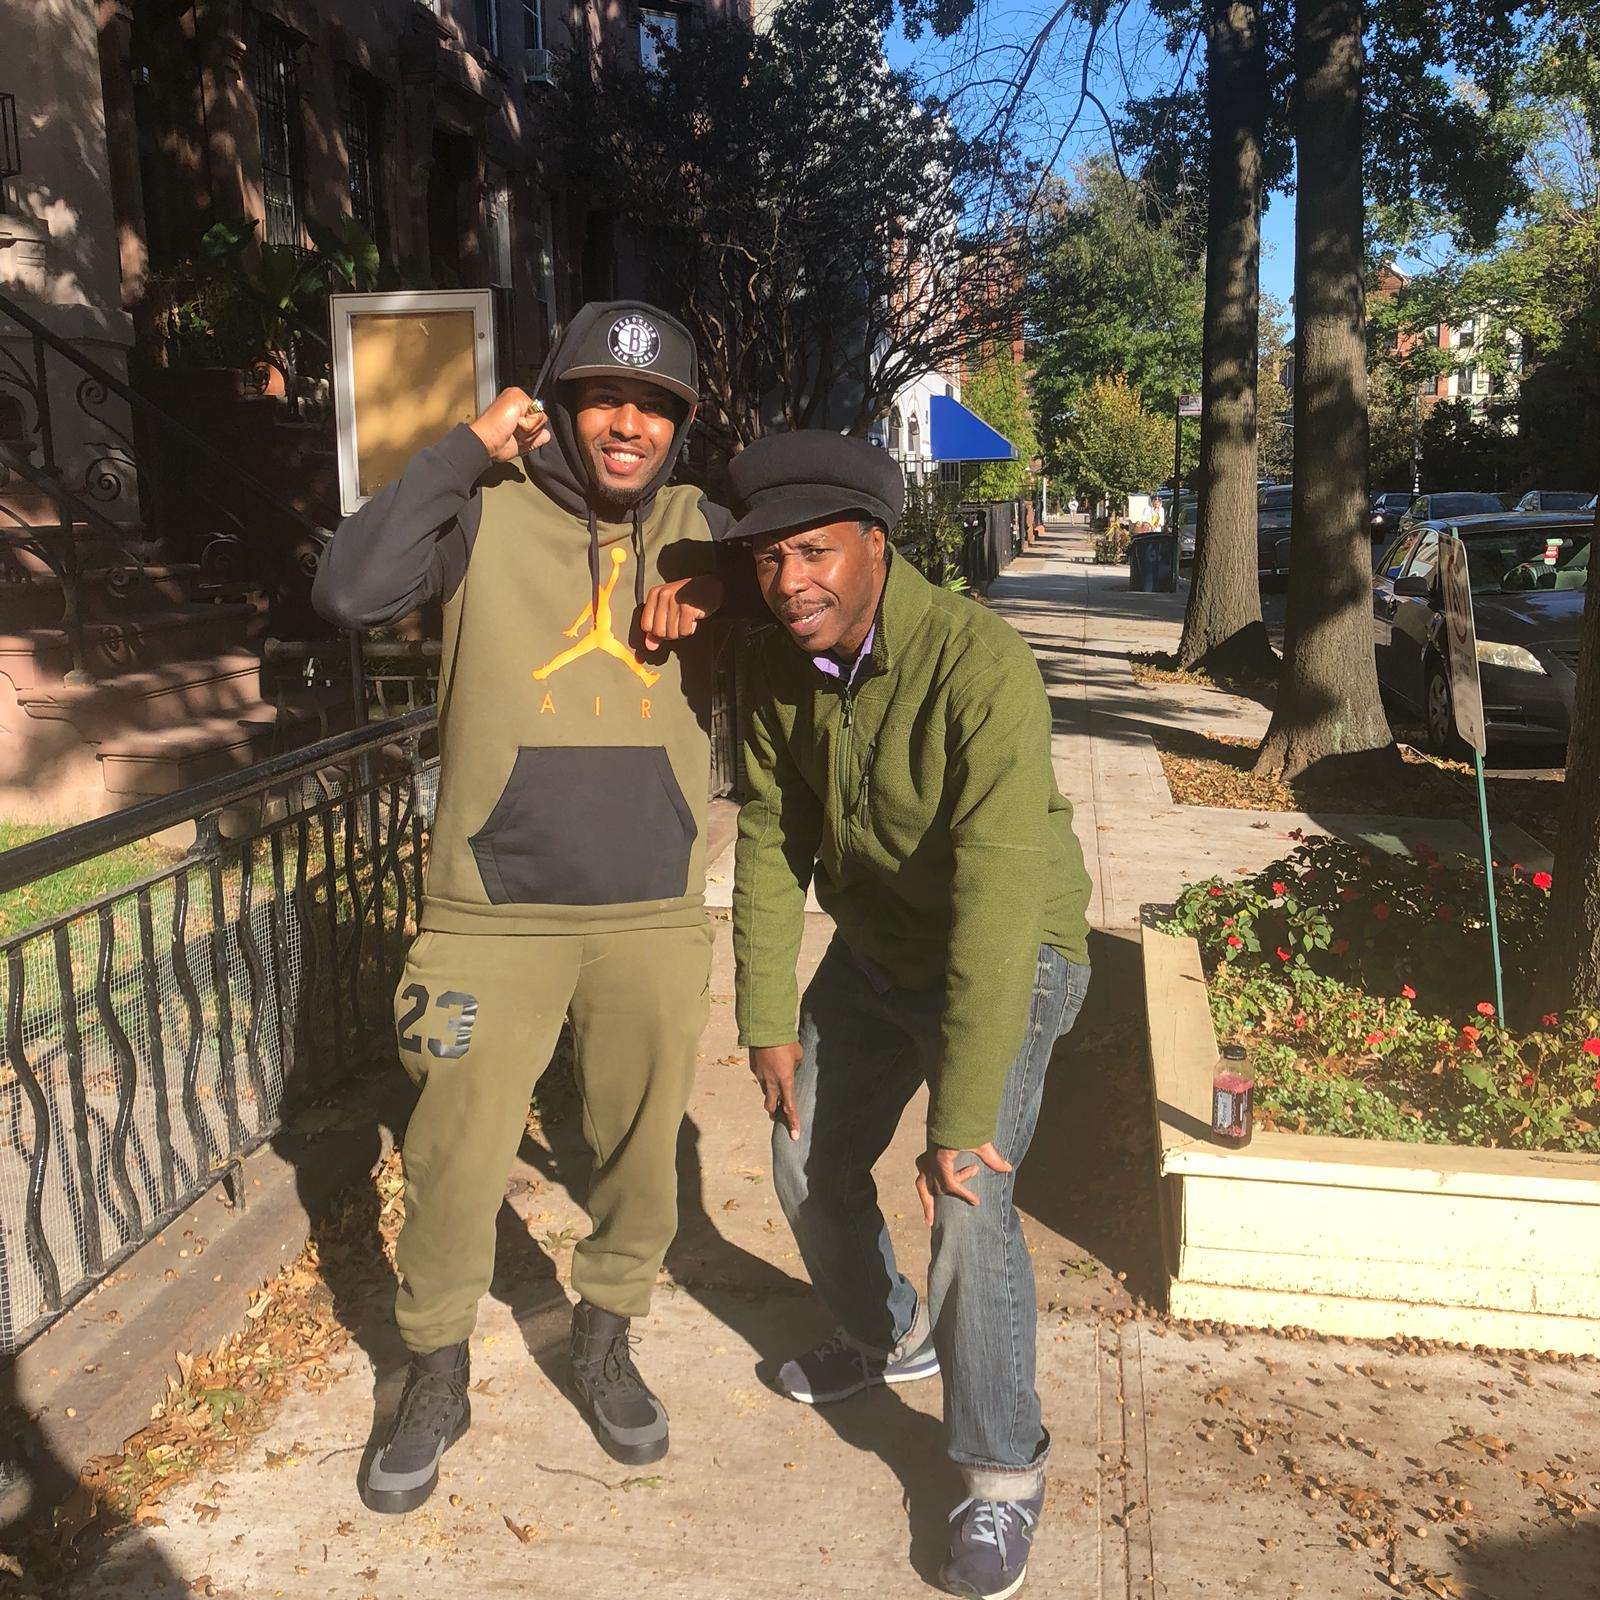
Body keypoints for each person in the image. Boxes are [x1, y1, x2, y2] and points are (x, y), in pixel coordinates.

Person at [313, 301, 734, 1514]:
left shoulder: (701, 531)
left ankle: (603, 1339)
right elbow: (350, 591)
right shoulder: (479, 513)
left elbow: (832, 580)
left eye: (655, 405)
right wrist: (454, 452)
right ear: (553, 403)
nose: (627, 421)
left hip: (649, 904)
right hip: (488, 911)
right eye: (604, 395)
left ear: (679, 424)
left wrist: (723, 593)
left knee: (639, 1152)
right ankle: (434, 1369)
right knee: (451, 1158)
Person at [716, 431, 1094, 1599]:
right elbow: (772, 839)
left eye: (815, 552)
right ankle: (892, 1336)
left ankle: (997, 1475)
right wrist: (766, 1016)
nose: (791, 583)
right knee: (801, 1149)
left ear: (877, 546)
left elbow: (994, 896)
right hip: (878, 955)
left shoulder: (977, 664)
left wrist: (958, 1115)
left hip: (1011, 952)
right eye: (771, 559)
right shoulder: (775, 663)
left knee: (970, 1200)